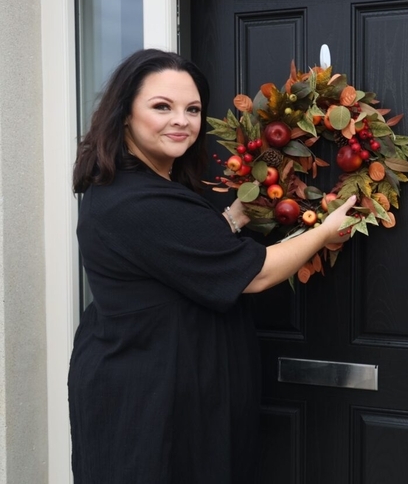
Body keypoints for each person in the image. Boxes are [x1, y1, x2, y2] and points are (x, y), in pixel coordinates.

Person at [69, 48, 356, 483]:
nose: (181, 120)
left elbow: (172, 258)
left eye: (193, 109)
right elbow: (256, 275)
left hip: (166, 389)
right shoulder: (137, 199)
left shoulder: (143, 188)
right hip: (150, 402)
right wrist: (323, 231)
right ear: (125, 114)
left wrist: (228, 220)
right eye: (161, 107)